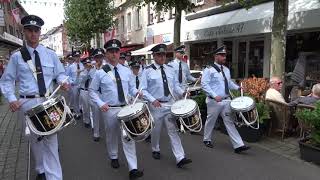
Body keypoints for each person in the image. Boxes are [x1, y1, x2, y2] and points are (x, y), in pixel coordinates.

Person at [0, 15, 69, 180]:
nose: (33, 34)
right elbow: (6, 81)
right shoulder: (17, 57)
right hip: (27, 103)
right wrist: (11, 99)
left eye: (36, 30)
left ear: (40, 32)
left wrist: (64, 82)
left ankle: (54, 177)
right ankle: (40, 170)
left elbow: (60, 74)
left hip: (48, 101)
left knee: (51, 141)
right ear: (24, 31)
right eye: (29, 30)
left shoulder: (50, 54)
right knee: (36, 141)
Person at [89, 39, 143, 179]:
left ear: (120, 53)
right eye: (111, 52)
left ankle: (133, 168)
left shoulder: (126, 71)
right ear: (106, 54)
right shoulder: (100, 73)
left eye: (116, 51)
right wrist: (101, 104)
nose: (114, 54)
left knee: (128, 137)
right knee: (111, 135)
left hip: (125, 108)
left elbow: (130, 88)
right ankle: (114, 156)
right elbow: (92, 91)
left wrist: (136, 91)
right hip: (110, 109)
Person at [141, 43, 192, 168]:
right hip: (156, 105)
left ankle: (180, 157)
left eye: (164, 54)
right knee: (156, 130)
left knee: (173, 130)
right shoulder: (147, 71)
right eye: (159, 55)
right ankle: (155, 148)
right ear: (154, 56)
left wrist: (183, 92)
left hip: (169, 103)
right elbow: (142, 89)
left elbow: (175, 86)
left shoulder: (170, 69)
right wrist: (152, 100)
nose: (162, 57)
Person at [201, 45, 250, 153]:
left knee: (229, 121)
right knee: (211, 121)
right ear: (216, 56)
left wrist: (238, 87)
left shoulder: (227, 70)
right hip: (214, 101)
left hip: (226, 100)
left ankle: (238, 145)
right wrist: (214, 95)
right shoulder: (209, 70)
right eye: (222, 55)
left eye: (225, 55)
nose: (224, 57)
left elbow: (229, 83)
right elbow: (204, 84)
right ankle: (206, 139)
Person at [90, 48, 106, 141]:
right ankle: (96, 133)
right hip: (95, 95)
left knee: (106, 116)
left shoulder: (107, 67)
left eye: (100, 57)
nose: (99, 59)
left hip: (105, 95)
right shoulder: (92, 69)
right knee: (95, 115)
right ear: (94, 58)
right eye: (97, 57)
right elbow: (85, 80)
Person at [68, 50, 84, 118]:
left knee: (82, 99)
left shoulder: (83, 64)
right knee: (75, 99)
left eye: (78, 56)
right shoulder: (71, 66)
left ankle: (81, 109)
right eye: (76, 56)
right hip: (74, 85)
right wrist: (71, 82)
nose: (78, 58)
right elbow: (67, 76)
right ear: (74, 57)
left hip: (82, 85)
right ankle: (77, 113)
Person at [79, 57, 94, 128]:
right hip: (84, 90)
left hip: (91, 91)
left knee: (93, 108)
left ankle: (93, 124)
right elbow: (83, 80)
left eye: (88, 64)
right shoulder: (81, 72)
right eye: (86, 64)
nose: (87, 66)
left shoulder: (93, 71)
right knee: (86, 108)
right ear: (84, 65)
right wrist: (87, 71)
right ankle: (86, 120)